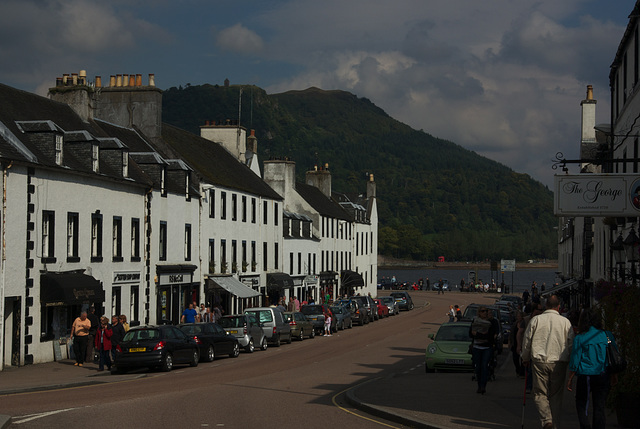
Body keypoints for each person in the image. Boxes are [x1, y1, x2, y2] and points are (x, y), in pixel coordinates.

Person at [522, 295, 574, 429]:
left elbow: (527, 341)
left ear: (546, 306)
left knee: (540, 393)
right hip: (559, 361)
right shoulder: (565, 322)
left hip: (540, 361)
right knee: (556, 395)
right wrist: (571, 361)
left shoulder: (536, 320)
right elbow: (570, 343)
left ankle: (546, 420)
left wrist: (525, 357)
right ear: (558, 307)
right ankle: (554, 425)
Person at [566, 308, 615, 429]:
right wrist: (614, 375)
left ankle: (585, 425)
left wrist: (570, 378)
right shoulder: (607, 335)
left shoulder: (580, 337)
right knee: (599, 406)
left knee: (582, 404)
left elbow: (575, 359)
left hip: (586, 374)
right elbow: (613, 357)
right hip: (603, 374)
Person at [469, 306, 496, 394]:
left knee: (484, 366)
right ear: (479, 313)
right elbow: (470, 334)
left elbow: (490, 337)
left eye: (486, 311)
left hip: (487, 348)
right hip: (477, 347)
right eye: (483, 311)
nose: (484, 313)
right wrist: (481, 335)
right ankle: (479, 385)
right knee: (478, 367)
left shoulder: (491, 322)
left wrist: (478, 334)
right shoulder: (475, 321)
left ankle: (483, 386)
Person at [509, 310, 525, 377]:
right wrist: (509, 342)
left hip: (522, 343)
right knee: (515, 359)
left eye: (519, 316)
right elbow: (511, 333)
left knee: (522, 359)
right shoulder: (514, 324)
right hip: (515, 343)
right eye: (517, 316)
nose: (518, 317)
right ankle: (518, 370)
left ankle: (522, 372)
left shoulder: (524, 324)